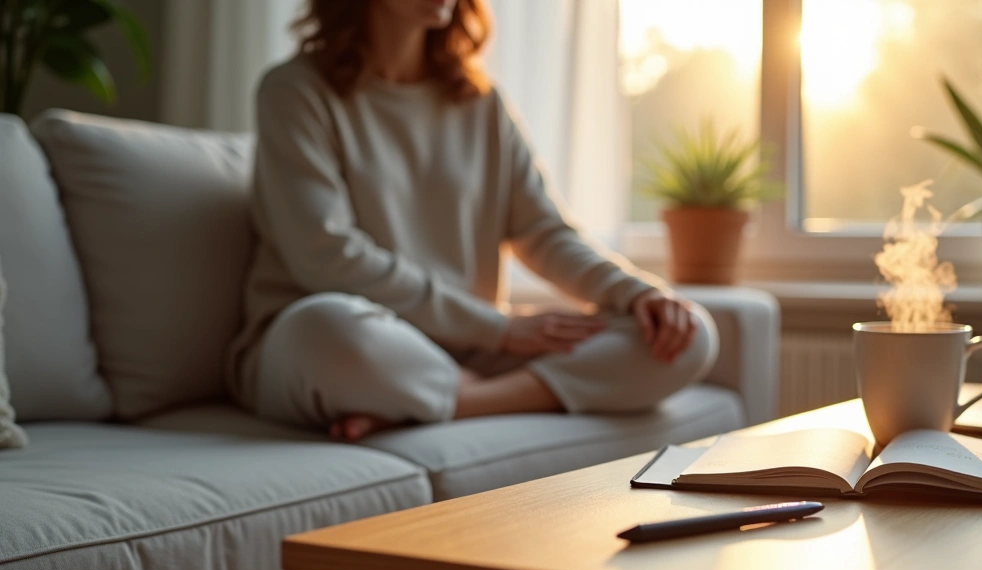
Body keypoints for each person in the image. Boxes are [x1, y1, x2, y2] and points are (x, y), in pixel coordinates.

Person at [226, 0, 718, 442]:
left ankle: (448, 403)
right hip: (333, 343)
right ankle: (434, 392)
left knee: (690, 334)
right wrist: (500, 329)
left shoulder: (482, 103)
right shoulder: (294, 92)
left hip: (464, 352)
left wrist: (640, 294)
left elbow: (544, 233)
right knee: (330, 329)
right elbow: (328, 258)